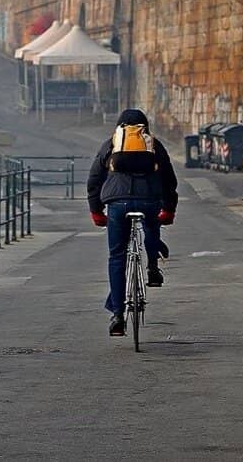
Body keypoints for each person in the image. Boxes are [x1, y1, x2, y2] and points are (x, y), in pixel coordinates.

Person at [87, 108, 178, 337]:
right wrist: (168, 209)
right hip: (149, 201)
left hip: (117, 205)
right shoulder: (153, 145)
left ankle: (118, 315)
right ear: (144, 127)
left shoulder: (112, 144)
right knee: (151, 224)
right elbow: (169, 180)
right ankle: (152, 268)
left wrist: (96, 211)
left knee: (117, 256)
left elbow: (94, 179)